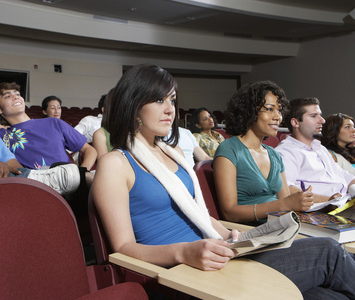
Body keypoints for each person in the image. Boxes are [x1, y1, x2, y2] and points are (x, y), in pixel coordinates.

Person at [91, 65, 355, 299]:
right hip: (180, 275)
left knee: (327, 294)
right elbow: (122, 248)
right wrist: (183, 253)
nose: (170, 109)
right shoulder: (115, 163)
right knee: (329, 253)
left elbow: (202, 217)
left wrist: (231, 234)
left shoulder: (171, 155)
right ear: (134, 105)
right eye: (159, 100)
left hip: (219, 254)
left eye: (171, 99)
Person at [213, 81, 315, 224]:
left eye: (279, 110)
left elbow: (286, 204)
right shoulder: (229, 150)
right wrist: (284, 205)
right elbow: (229, 212)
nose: (278, 117)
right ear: (248, 112)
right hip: (251, 232)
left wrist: (300, 201)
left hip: (280, 227)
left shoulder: (274, 155)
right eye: (269, 109)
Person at [0, 82, 97, 171]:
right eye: (7, 96)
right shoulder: (0, 136)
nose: (16, 97)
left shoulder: (54, 123)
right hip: (37, 185)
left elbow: (89, 150)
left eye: (17, 94)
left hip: (68, 176)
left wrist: (81, 173)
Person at [276, 98, 355, 202]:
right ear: (295, 122)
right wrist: (329, 200)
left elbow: (344, 176)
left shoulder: (320, 148)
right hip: (320, 212)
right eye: (313, 116)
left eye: (320, 115)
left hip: (344, 204)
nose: (322, 120)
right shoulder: (286, 152)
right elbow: (286, 189)